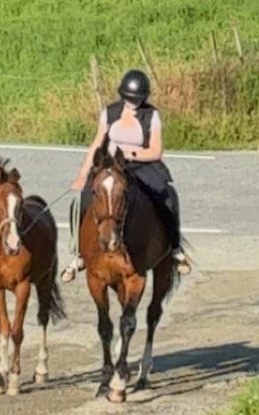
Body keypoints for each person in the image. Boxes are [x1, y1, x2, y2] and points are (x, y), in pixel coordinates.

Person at [61, 69, 189, 281]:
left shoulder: (152, 116)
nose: (133, 103)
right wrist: (83, 173)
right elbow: (97, 143)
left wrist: (131, 154)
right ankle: (77, 253)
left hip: (141, 164)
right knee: (81, 200)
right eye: (129, 99)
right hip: (109, 164)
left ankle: (174, 247)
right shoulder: (110, 113)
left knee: (167, 196)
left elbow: (156, 150)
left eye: (137, 99)